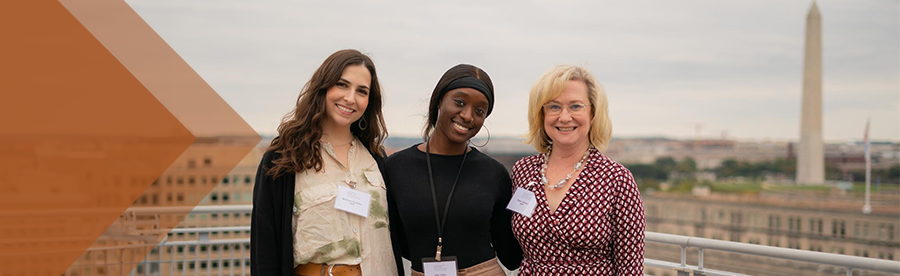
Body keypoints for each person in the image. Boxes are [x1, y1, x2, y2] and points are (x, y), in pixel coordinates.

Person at [251, 49, 397, 276]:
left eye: (362, 91)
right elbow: (265, 247)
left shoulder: (377, 160)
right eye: (342, 84)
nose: (350, 98)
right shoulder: (284, 157)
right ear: (323, 87)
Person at [385, 64, 523, 276]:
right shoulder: (396, 168)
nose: (468, 116)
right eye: (459, 102)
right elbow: (392, 244)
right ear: (439, 99)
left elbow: (511, 256)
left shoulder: (494, 173)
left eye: (479, 111)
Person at [510, 65, 645, 275]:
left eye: (575, 106)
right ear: (541, 114)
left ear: (592, 113)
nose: (564, 117)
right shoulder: (523, 171)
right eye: (554, 107)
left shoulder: (616, 179)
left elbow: (630, 269)